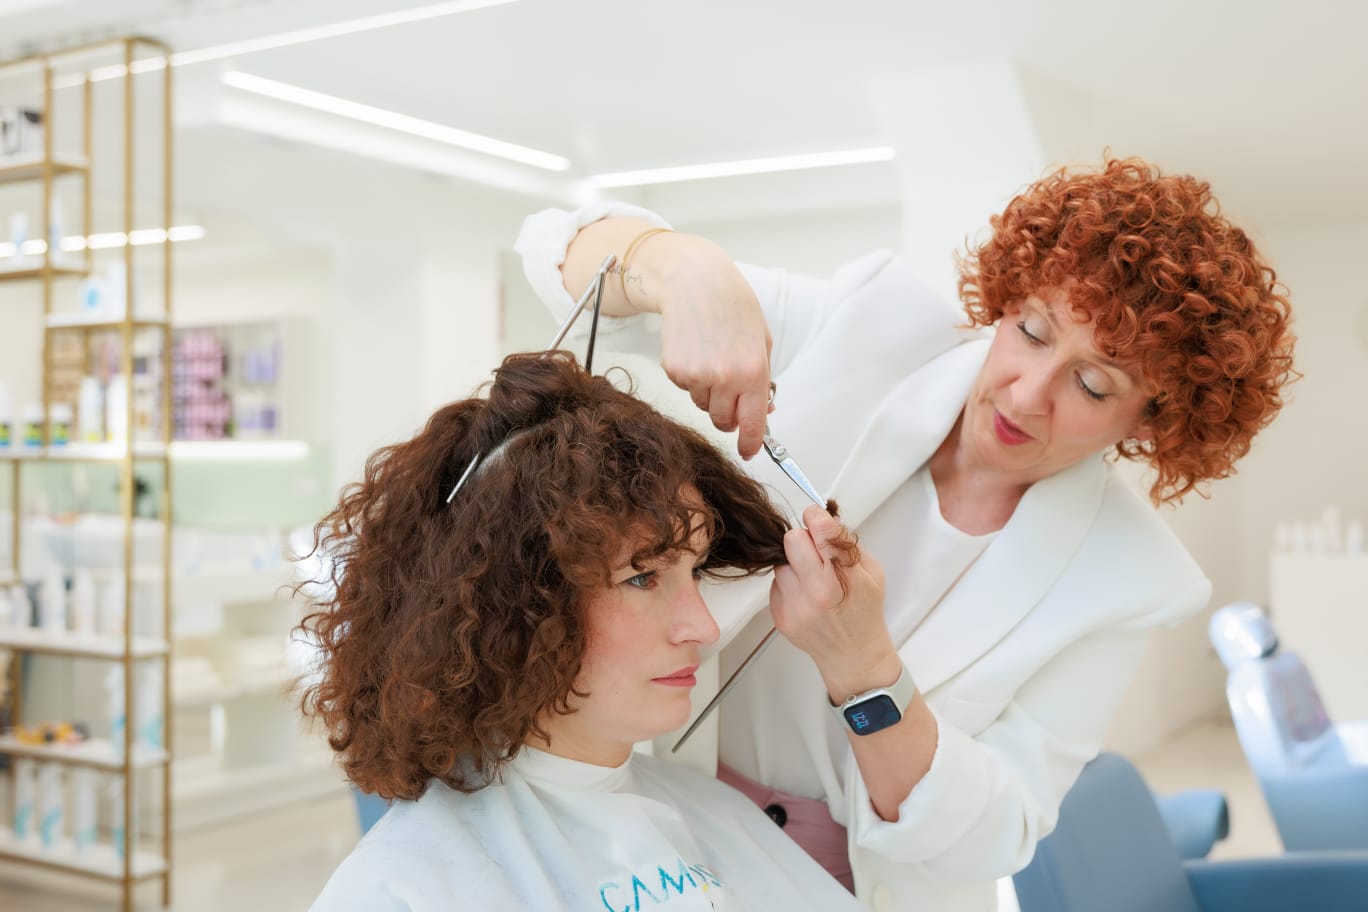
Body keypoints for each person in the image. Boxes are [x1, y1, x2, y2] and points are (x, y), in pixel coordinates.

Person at [515, 156, 1297, 911]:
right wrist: (686, 268)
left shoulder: (1129, 579)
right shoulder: (867, 331)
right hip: (668, 824)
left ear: (1153, 422)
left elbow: (998, 834)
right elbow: (552, 249)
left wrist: (866, 670)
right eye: (1030, 330)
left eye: (1094, 384)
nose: (1026, 395)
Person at [302, 351, 866, 911]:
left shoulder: (721, 818)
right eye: (641, 576)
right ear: (518, 601)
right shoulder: (399, 891)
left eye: (693, 571)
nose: (703, 625)